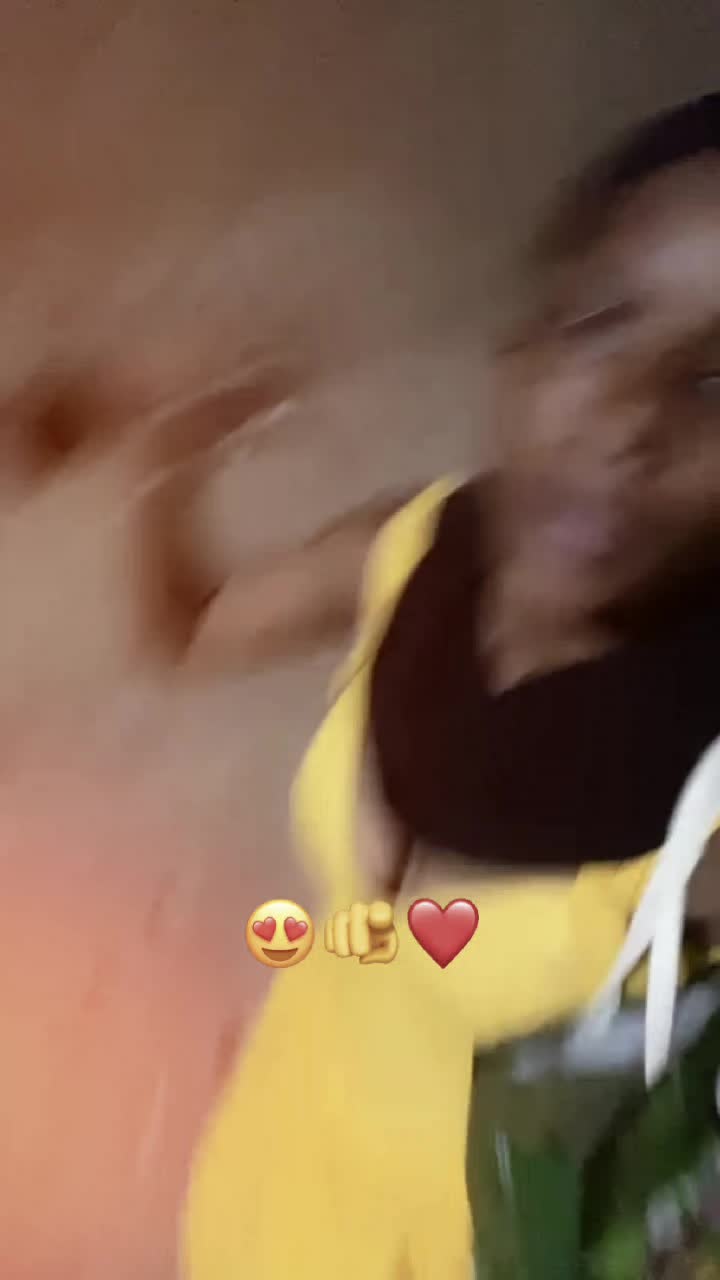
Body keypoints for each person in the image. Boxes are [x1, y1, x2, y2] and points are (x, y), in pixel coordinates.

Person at [182, 92, 720, 1280]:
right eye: (604, 326)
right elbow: (193, 625)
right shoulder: (410, 550)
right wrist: (170, 448)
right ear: (523, 342)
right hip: (283, 1164)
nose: (630, 420)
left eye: (716, 388)